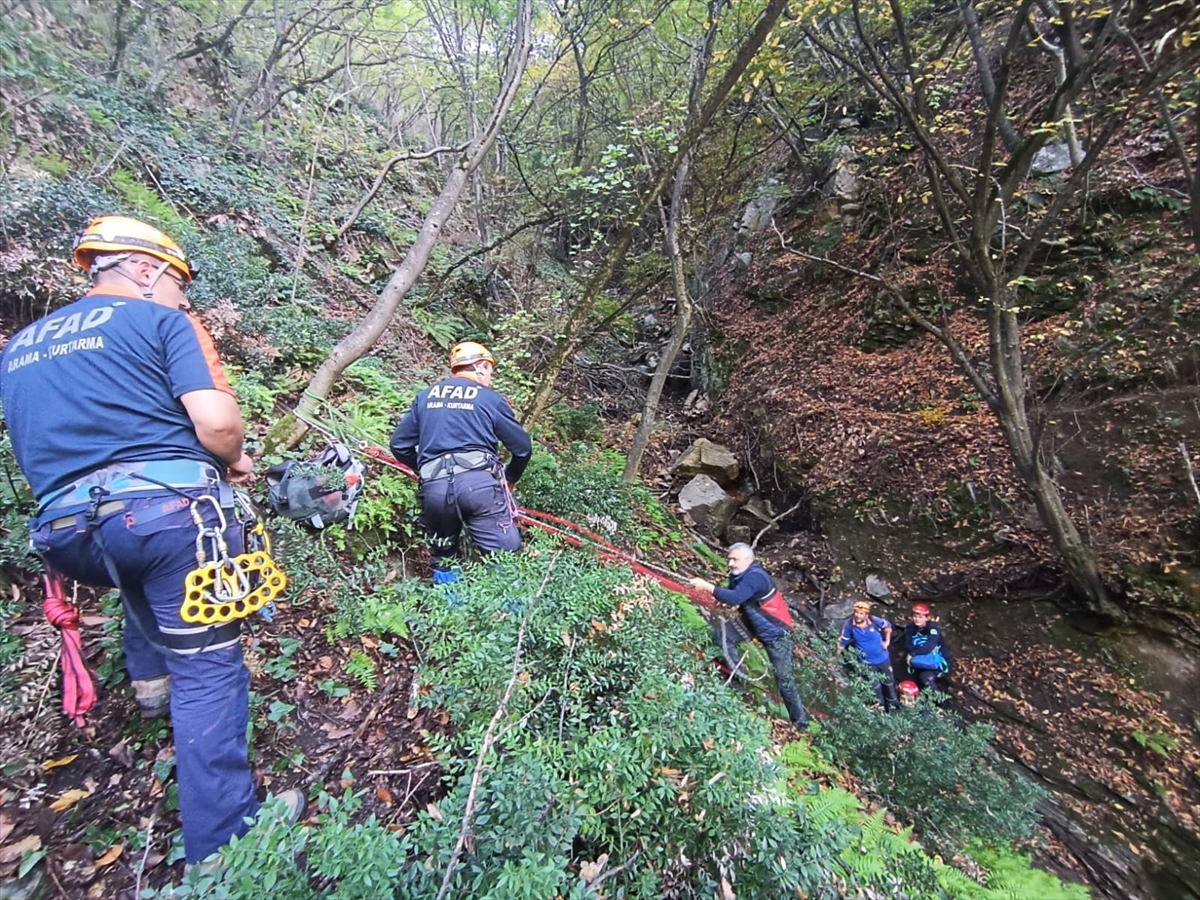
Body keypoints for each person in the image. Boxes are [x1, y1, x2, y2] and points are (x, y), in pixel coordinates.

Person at [0, 216, 301, 869]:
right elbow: (216, 421)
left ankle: (150, 698)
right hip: (165, 516)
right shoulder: (159, 323)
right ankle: (226, 850)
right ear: (144, 269)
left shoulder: (19, 347)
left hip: (67, 534)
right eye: (179, 287)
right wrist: (234, 457)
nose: (183, 302)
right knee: (209, 667)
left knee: (140, 573)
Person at [390, 341, 532, 584]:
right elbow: (522, 449)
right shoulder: (489, 399)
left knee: (443, 558)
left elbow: (399, 445)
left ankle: (450, 615)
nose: (490, 378)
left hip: (435, 491)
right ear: (479, 367)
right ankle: (511, 618)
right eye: (489, 370)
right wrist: (510, 479)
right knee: (505, 557)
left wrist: (425, 470)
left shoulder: (426, 397)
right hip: (479, 487)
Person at [689, 544, 809, 728]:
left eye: (734, 559)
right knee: (722, 634)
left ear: (748, 560)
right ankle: (740, 682)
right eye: (729, 559)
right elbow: (733, 595)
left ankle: (800, 723)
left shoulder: (756, 576)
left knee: (784, 681)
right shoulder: (738, 574)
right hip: (753, 622)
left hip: (776, 632)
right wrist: (720, 599)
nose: (730, 563)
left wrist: (707, 587)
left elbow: (736, 597)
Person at [837, 599, 899, 711]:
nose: (858, 616)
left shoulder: (874, 621)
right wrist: (836, 656)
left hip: (883, 659)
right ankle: (879, 710)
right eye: (856, 612)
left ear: (866, 614)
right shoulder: (849, 625)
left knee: (889, 684)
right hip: (867, 663)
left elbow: (888, 626)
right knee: (874, 687)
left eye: (861, 613)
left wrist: (887, 641)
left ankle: (894, 709)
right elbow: (843, 642)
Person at [903, 602, 953, 695]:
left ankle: (938, 702)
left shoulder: (933, 629)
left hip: (939, 661)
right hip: (922, 659)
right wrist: (916, 650)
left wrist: (912, 653)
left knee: (925, 677)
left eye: (920, 617)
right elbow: (908, 645)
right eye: (915, 616)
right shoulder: (910, 628)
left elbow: (929, 646)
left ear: (927, 618)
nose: (917, 619)